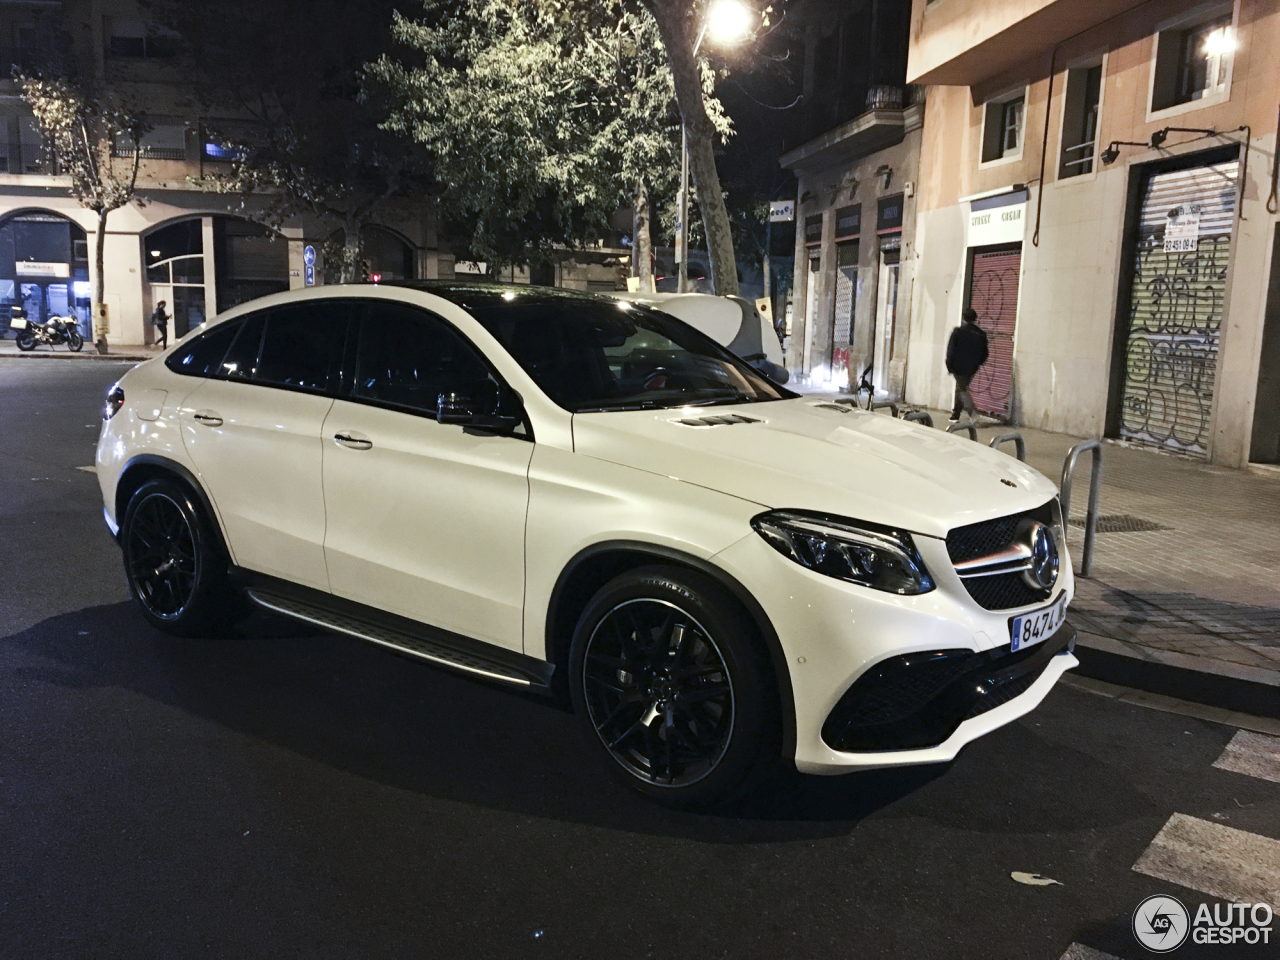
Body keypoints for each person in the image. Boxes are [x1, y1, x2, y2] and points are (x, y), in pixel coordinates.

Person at [946, 307, 989, 422]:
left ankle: (973, 413)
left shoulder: (958, 332)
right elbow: (985, 354)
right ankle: (955, 415)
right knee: (960, 388)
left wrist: (949, 365)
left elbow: (951, 350)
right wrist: (976, 364)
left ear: (963, 318)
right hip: (971, 368)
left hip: (957, 366)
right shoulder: (981, 334)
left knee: (961, 390)